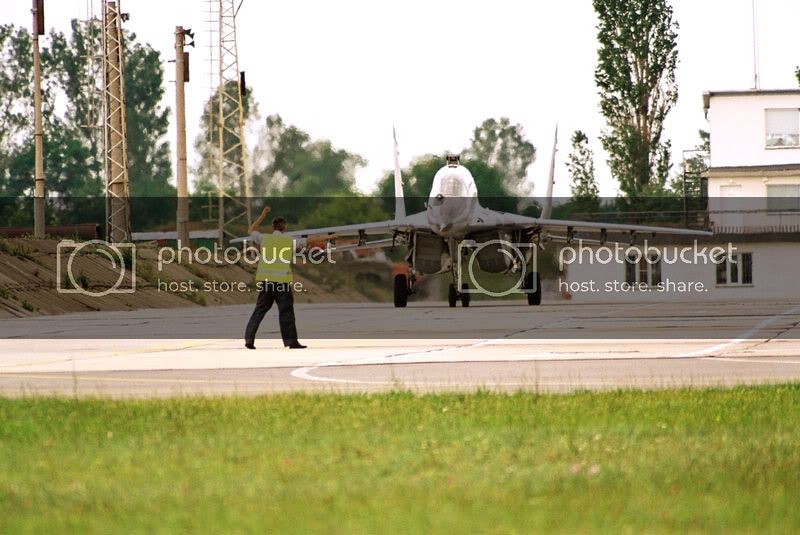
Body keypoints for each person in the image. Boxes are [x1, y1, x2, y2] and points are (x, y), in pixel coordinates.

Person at [244, 206, 307, 349]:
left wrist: (262, 215)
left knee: (259, 310)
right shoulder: (289, 241)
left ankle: (249, 340)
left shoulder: (264, 238)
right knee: (286, 313)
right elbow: (311, 241)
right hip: (282, 284)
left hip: (266, 282)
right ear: (284, 227)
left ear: (273, 227)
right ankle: (291, 341)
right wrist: (330, 237)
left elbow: (251, 229)